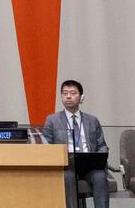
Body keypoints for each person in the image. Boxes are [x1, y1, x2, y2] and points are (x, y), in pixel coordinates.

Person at [42, 79, 110, 208]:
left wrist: (99, 159)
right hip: (67, 165)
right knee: (68, 177)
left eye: (73, 93)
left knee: (100, 177)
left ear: (81, 97)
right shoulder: (52, 120)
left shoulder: (92, 120)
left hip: (90, 165)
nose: (68, 96)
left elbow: (101, 145)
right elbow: (46, 145)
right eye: (64, 93)